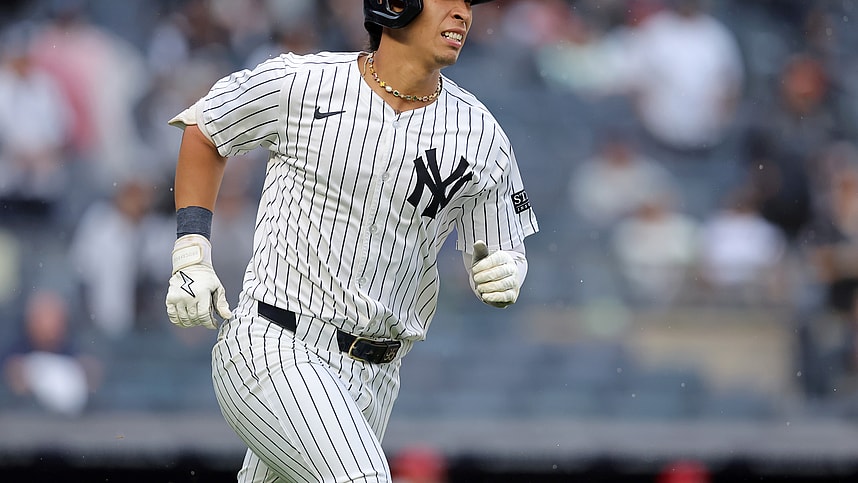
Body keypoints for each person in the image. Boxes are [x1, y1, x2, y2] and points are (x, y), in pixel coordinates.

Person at [164, 1, 539, 481]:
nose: (463, 13)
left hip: (377, 375)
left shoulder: (482, 135)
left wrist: (509, 270)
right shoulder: (303, 81)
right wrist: (191, 253)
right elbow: (206, 129)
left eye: (469, 3)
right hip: (275, 343)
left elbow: (503, 246)